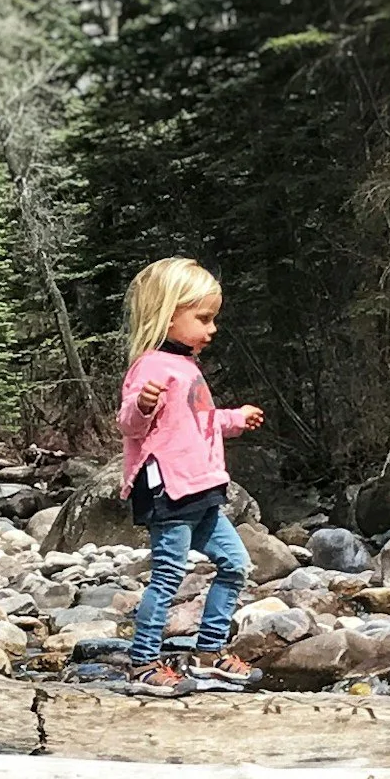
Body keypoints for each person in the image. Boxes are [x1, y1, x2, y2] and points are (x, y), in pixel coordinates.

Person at [116, 256, 266, 694]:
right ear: (168, 313)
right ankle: (142, 662)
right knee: (167, 574)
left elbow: (197, 421)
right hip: (169, 490)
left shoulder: (187, 366)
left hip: (202, 488)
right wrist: (142, 405)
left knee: (235, 564)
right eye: (202, 318)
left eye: (212, 318)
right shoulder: (150, 366)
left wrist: (235, 418)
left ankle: (209, 653)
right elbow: (128, 424)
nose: (211, 329)